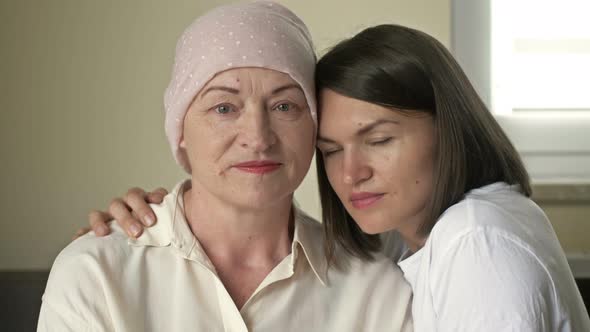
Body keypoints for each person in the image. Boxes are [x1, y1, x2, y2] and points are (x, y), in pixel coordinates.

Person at [86, 22, 590, 331]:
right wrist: (146, 223)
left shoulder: (475, 239)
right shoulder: (413, 241)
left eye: (379, 139)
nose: (352, 174)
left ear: (448, 127)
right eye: (331, 150)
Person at [38, 3, 413, 331]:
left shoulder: (375, 289)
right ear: (180, 128)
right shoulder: (96, 273)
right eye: (224, 108)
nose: (258, 137)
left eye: (284, 106)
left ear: (313, 127)